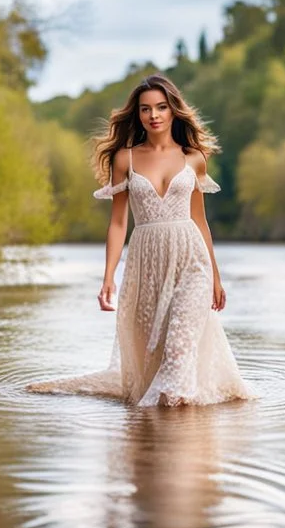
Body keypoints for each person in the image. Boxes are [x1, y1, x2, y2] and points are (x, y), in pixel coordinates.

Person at [28, 73, 253, 407]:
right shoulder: (125, 159)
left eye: (161, 107)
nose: (154, 115)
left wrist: (216, 277)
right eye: (146, 109)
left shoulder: (193, 158)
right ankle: (159, 429)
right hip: (146, 262)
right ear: (137, 115)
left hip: (192, 261)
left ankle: (178, 428)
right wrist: (108, 277)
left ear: (174, 110)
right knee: (153, 355)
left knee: (178, 345)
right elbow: (118, 223)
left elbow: (199, 220)